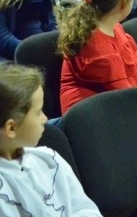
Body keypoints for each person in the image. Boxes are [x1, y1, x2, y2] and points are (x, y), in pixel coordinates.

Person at [0, 63, 102, 216]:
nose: (45, 118)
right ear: (11, 128)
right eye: (38, 112)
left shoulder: (49, 159)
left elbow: (84, 208)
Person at [58, 0, 137, 115]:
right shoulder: (96, 44)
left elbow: (132, 75)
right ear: (124, 1)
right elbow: (124, 94)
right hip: (86, 116)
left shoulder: (115, 27)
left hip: (109, 103)